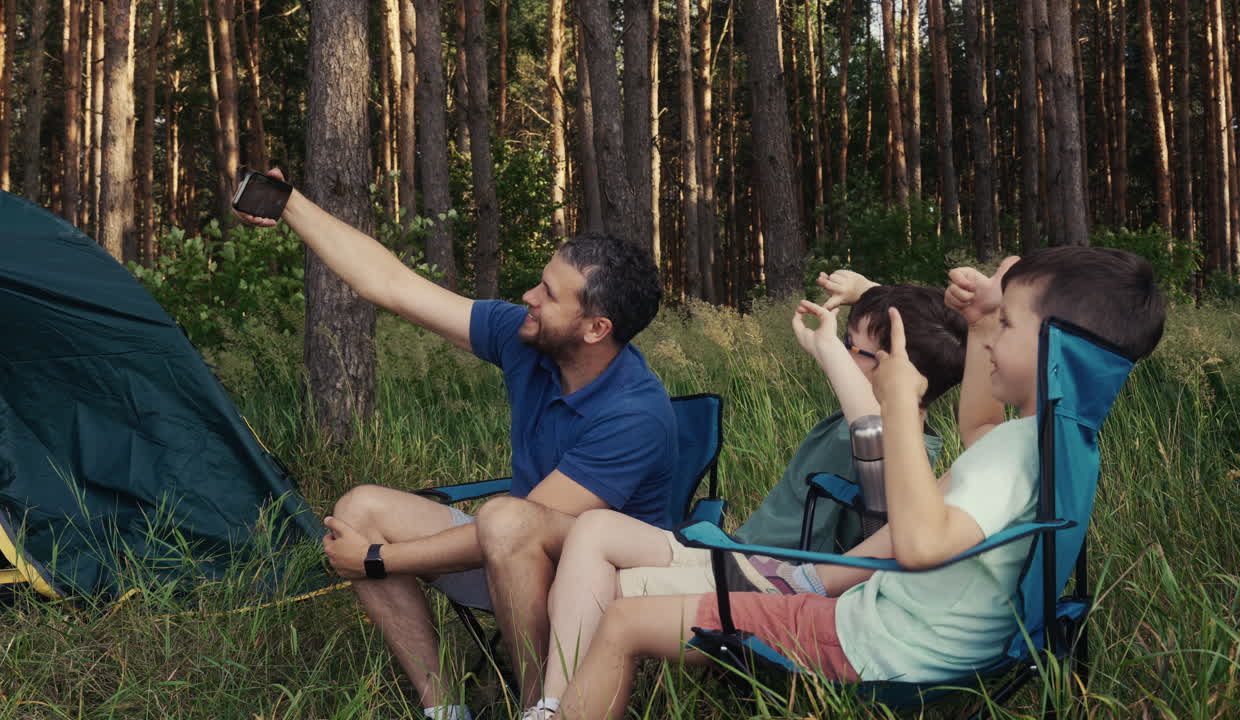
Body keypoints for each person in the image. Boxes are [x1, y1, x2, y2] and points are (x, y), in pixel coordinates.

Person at [549, 246, 1167, 720]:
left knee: (624, 622)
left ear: (1057, 349)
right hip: (903, 630)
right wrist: (980, 322)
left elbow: (920, 544)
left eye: (1007, 325)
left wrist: (899, 404)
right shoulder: (1053, 441)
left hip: (878, 646)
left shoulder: (1014, 457)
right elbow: (978, 422)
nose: (993, 339)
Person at [234, 169, 677, 720]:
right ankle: (444, 711)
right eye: (540, 282)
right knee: (360, 509)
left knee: (508, 524)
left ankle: (539, 708)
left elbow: (518, 529)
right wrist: (291, 205)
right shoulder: (526, 339)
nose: (528, 297)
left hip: (599, 592)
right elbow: (389, 285)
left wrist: (376, 561)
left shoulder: (635, 413)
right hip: (513, 552)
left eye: (549, 294)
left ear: (595, 328)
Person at [506, 273, 970, 720]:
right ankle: (550, 705)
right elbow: (913, 345)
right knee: (594, 527)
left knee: (589, 592)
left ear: (901, 374)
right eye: (845, 344)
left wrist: (829, 349)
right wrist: (863, 293)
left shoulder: (903, 447)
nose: (844, 356)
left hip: (779, 578)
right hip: (741, 556)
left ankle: (562, 704)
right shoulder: (873, 409)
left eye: (856, 350)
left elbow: (873, 430)